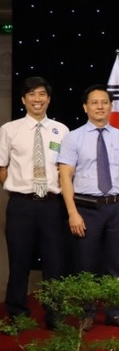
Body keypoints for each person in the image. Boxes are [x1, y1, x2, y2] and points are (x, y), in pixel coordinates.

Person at [57, 84, 119, 329]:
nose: (100, 106)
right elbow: (65, 177)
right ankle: (86, 313)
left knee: (116, 263)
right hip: (86, 208)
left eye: (104, 102)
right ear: (85, 107)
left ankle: (115, 312)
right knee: (86, 263)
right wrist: (72, 212)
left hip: (116, 207)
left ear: (111, 106)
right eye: (94, 102)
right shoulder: (73, 137)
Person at [0, 77, 69, 329]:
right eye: (31, 94)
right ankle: (17, 315)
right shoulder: (9, 129)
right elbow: (2, 167)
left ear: (48, 99)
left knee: (55, 263)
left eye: (41, 94)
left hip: (52, 204)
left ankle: (55, 315)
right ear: (23, 100)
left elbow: (65, 169)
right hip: (21, 205)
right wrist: (19, 189)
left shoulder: (61, 130)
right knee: (19, 262)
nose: (37, 99)